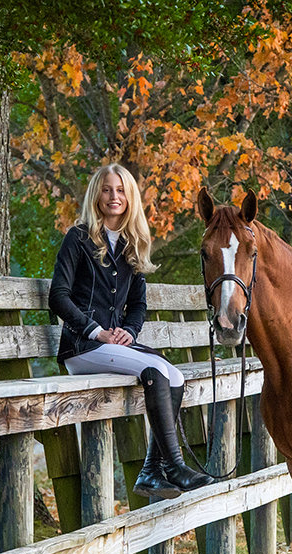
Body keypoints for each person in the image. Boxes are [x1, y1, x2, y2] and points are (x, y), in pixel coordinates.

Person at [48, 163, 211, 500]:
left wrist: (128, 332)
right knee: (154, 371)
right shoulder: (78, 238)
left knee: (176, 377)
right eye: (107, 189)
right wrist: (96, 331)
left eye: (121, 190)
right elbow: (58, 297)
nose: (114, 196)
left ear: (130, 197)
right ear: (97, 194)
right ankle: (175, 465)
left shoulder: (131, 245)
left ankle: (152, 471)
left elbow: (138, 305)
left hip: (113, 346)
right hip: (82, 347)